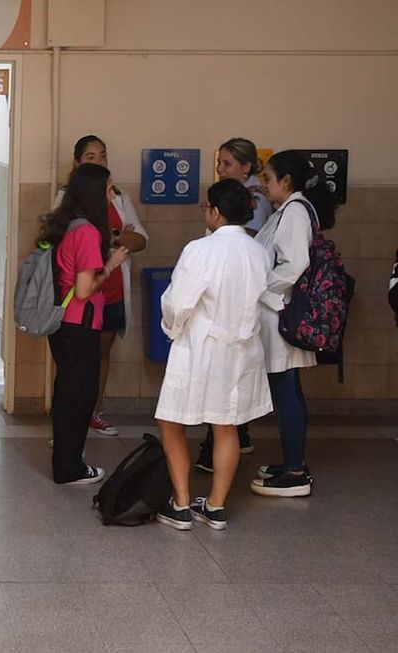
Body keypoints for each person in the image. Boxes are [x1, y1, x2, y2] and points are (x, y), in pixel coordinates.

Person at [154, 179, 273, 530]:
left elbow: (178, 303)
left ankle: (181, 504)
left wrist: (172, 329)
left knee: (171, 421)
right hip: (242, 350)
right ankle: (217, 506)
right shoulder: (257, 251)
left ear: (216, 212)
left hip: (200, 350)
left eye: (207, 207)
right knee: (226, 425)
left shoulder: (200, 250)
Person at [250, 150, 336, 497]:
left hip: (281, 314)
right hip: (278, 312)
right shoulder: (288, 210)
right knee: (288, 391)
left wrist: (260, 287)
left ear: (286, 181)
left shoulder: (296, 212)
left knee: (286, 393)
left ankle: (295, 471)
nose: (264, 185)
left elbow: (294, 263)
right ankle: (291, 461)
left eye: (268, 179)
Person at [56, 136, 148, 436]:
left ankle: (92, 412)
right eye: (91, 156)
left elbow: (140, 238)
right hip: (80, 298)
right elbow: (67, 248)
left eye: (103, 155)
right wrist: (112, 241)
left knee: (100, 355)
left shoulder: (118, 198)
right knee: (75, 365)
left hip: (110, 291)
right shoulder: (67, 201)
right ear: (78, 163)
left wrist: (115, 239)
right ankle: (70, 425)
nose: (99, 161)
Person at [42, 163, 129, 484]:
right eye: (109, 189)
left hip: (61, 323)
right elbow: (84, 288)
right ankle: (69, 467)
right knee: (79, 394)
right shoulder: (89, 232)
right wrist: (111, 264)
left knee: (67, 390)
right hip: (80, 323)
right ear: (95, 193)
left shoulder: (66, 224)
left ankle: (65, 461)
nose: (112, 194)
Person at [195, 137, 273, 471]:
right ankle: (234, 438)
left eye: (227, 164)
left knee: (224, 395)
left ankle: (218, 451)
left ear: (246, 166)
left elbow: (246, 250)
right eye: (219, 164)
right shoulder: (239, 199)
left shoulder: (254, 203)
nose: (221, 170)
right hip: (234, 317)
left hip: (234, 313)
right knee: (230, 392)